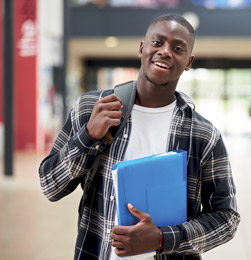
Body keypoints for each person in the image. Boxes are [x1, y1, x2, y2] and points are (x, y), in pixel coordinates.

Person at [39, 14, 240, 260]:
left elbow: (226, 219)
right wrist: (89, 137)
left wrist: (162, 239)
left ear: (189, 61)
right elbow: (50, 186)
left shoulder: (203, 135)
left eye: (178, 48)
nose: (165, 52)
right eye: (157, 42)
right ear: (142, 48)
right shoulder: (92, 107)